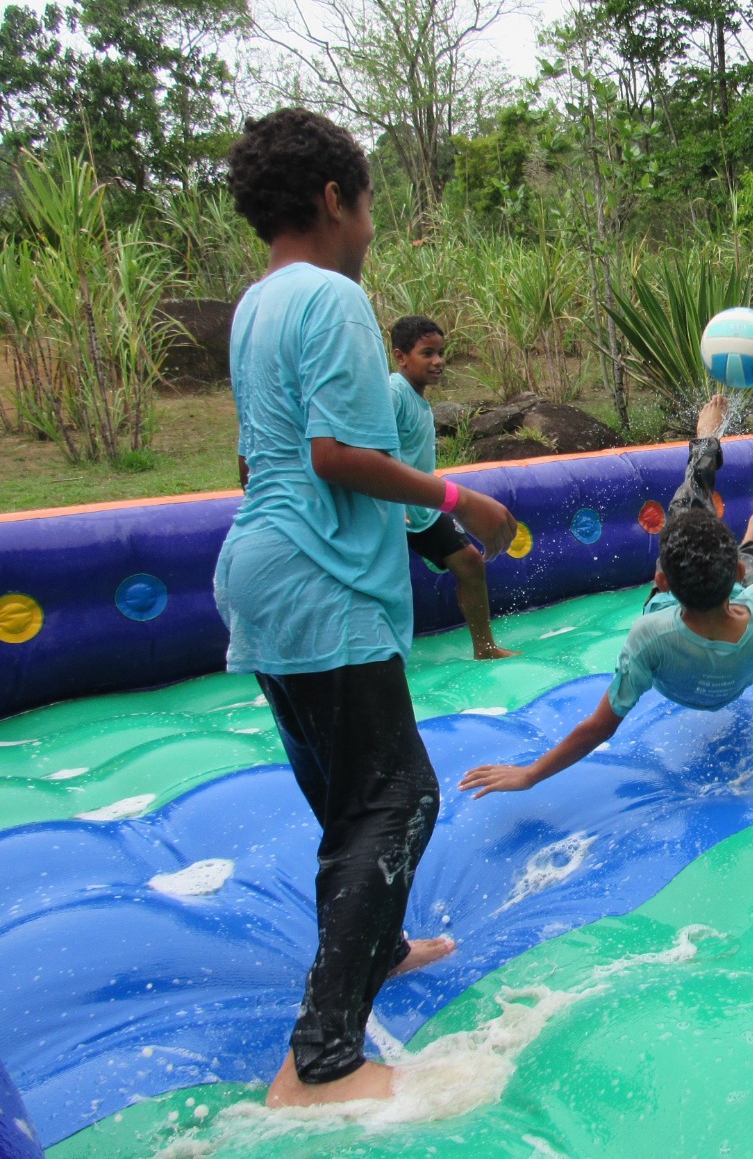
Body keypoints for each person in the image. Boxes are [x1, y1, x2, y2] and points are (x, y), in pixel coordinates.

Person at [214, 108, 517, 1108]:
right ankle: (323, 1059)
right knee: (399, 799)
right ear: (336, 198)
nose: (373, 224)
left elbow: (261, 459)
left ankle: (377, 947)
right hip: (318, 581)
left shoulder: (256, 304)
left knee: (350, 797)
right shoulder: (333, 298)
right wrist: (455, 498)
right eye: (370, 201)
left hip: (261, 572)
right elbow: (334, 456)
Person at [459, 397, 753, 798]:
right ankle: (751, 544)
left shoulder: (649, 632)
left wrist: (529, 774)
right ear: (736, 574)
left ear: (661, 580)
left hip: (681, 671)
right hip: (742, 652)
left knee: (688, 503)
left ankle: (709, 454)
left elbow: (598, 727)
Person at [389, 315, 519, 660]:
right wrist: (395, 506)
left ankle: (485, 647)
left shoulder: (417, 399)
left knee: (470, 563)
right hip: (391, 506)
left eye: (441, 353)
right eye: (427, 353)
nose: (438, 361)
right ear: (401, 357)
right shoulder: (394, 392)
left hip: (422, 506)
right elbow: (377, 451)